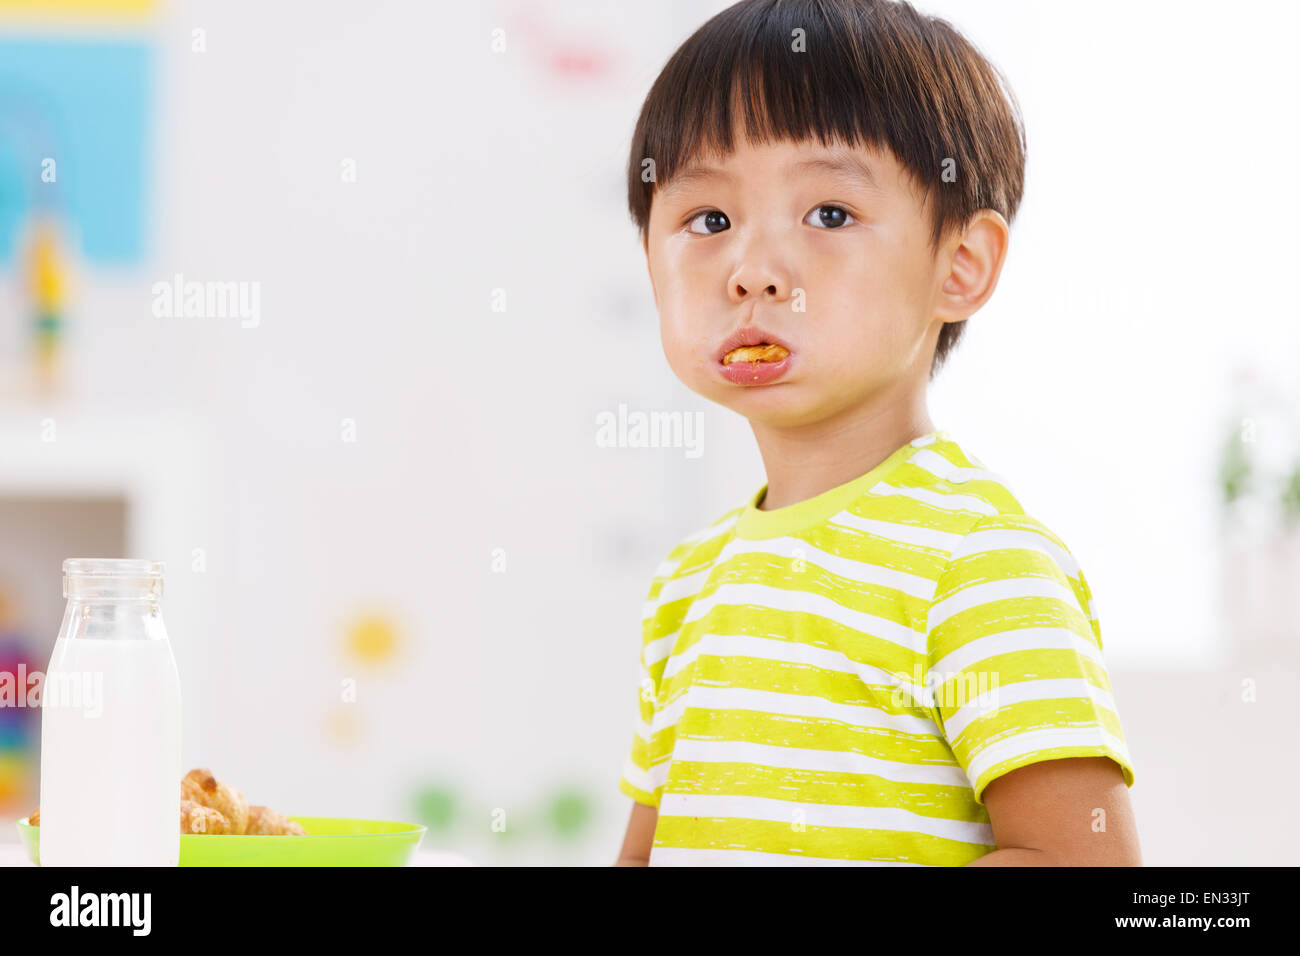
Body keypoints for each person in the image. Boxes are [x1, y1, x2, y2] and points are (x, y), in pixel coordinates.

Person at [614, 0, 1140, 866]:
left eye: (827, 214)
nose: (753, 273)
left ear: (961, 266)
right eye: (708, 221)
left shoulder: (978, 563)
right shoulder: (686, 584)